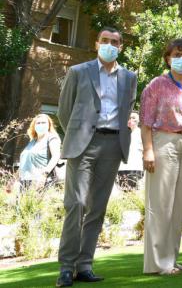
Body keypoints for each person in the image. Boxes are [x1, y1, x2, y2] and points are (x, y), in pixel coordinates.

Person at [56, 27, 138, 288]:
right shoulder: (78, 72)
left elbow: (128, 108)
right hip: (83, 144)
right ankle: (66, 268)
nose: (110, 45)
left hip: (113, 144)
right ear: (96, 43)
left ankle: (85, 266)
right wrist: (80, 133)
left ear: (121, 47)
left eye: (115, 42)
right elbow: (64, 112)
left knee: (97, 208)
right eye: (105, 41)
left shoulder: (130, 77)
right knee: (76, 204)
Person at [140, 39, 182, 275]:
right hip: (165, 140)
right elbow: (146, 121)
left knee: (179, 204)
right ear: (168, 58)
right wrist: (148, 150)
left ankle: (172, 257)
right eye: (177, 54)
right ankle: (158, 263)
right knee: (161, 203)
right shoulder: (157, 84)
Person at [18, 114, 61, 189]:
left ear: (49, 125)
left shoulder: (52, 138)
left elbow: (56, 156)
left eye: (43, 123)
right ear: (34, 126)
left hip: (39, 181)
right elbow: (24, 161)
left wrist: (44, 174)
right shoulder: (32, 141)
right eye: (38, 123)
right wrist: (13, 180)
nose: (41, 125)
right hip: (24, 181)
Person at [118, 112, 143, 188]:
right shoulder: (120, 133)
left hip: (136, 168)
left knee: (133, 192)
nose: (131, 120)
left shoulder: (141, 133)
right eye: (129, 118)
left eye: (133, 118)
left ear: (138, 121)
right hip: (121, 168)